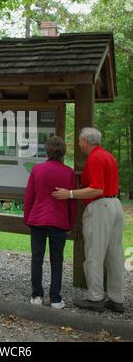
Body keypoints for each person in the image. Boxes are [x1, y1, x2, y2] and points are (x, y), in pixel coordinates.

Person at [52, 127, 124, 313]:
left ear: (85, 140)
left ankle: (95, 297)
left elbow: (97, 189)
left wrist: (69, 194)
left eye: (79, 140)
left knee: (94, 253)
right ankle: (117, 298)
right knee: (114, 254)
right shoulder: (108, 156)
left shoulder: (94, 158)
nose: (78, 143)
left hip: (100, 207)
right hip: (115, 204)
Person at [24, 136, 77, 309]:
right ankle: (55, 298)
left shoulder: (37, 169)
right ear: (63, 152)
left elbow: (29, 197)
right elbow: (72, 201)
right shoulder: (68, 172)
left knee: (37, 258)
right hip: (59, 221)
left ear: (46, 151)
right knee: (57, 260)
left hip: (38, 219)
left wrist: (27, 218)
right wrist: (71, 222)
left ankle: (37, 296)